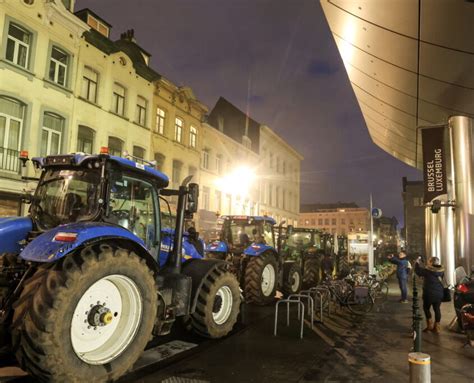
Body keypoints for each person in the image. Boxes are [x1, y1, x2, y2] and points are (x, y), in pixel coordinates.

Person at [415, 256, 445, 333]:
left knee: (426, 308)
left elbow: (418, 271)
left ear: (431, 262)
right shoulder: (441, 270)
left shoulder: (427, 270)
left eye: (429, 261)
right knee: (437, 309)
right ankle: (437, 327)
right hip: (439, 293)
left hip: (429, 293)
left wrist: (417, 262)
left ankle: (429, 325)